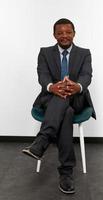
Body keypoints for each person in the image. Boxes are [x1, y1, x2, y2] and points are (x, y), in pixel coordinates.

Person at [22, 18, 96, 194]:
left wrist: (76, 86)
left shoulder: (84, 53)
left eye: (68, 32)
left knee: (67, 98)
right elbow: (42, 75)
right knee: (66, 111)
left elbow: (87, 75)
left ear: (74, 33)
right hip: (50, 98)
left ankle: (41, 142)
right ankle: (66, 172)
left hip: (76, 97)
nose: (64, 36)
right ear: (54, 35)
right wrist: (51, 87)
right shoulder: (45, 52)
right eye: (60, 33)